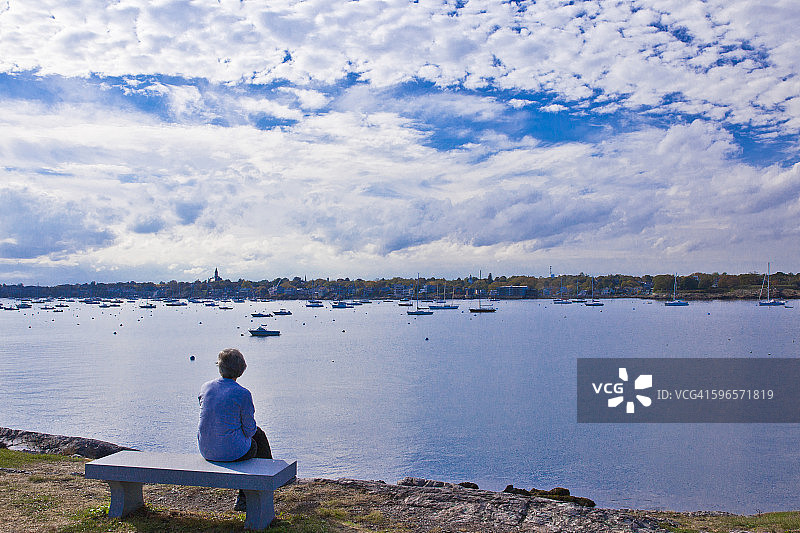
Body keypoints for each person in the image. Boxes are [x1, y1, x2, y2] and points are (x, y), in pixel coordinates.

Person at [198, 348, 272, 511]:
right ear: (241, 369)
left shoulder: (206, 387)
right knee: (257, 440)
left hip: (206, 450)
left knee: (250, 438)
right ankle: (251, 492)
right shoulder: (242, 393)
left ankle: (255, 488)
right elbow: (250, 430)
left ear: (220, 367)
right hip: (230, 453)